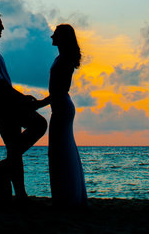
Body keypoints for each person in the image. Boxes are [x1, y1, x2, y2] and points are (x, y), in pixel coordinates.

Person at [0, 10, 48, 201]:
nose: (2, 27)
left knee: (14, 147)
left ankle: (20, 194)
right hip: (2, 105)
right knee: (39, 125)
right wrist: (21, 99)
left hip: (1, 104)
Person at [35, 24, 89, 208]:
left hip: (62, 107)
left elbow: (60, 90)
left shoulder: (65, 59)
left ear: (63, 38)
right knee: (61, 150)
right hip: (60, 107)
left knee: (60, 150)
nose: (51, 37)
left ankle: (66, 198)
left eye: (55, 34)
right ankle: (66, 196)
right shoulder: (62, 57)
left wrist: (40, 104)